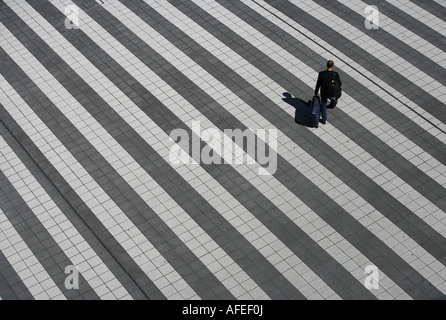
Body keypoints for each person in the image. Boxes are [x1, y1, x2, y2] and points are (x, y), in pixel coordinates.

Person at [314, 60, 342, 124]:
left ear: (326, 65)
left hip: (324, 92)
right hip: (332, 92)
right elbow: (340, 83)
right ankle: (332, 105)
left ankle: (324, 119)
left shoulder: (321, 74)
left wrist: (316, 92)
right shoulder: (335, 74)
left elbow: (318, 84)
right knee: (334, 99)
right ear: (333, 66)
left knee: (323, 103)